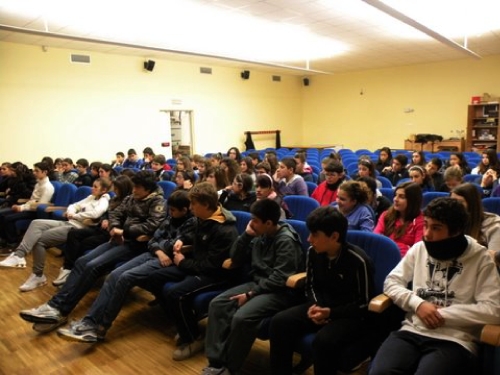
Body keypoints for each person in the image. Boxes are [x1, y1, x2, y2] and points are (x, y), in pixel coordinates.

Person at [18, 171, 166, 333]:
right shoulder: (132, 197)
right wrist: (115, 227)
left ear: (148, 189)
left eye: (138, 187)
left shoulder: (158, 202)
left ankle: (61, 309)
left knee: (93, 265)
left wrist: (124, 230)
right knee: (82, 261)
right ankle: (55, 307)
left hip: (137, 246)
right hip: (119, 239)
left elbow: (152, 225)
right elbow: (116, 213)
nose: (134, 190)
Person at [369, 197, 500, 375]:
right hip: (412, 331)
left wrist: (440, 314)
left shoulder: (480, 258)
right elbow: (391, 283)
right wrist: (418, 304)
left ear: (456, 231)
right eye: (426, 225)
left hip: (456, 339)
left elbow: (493, 310)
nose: (427, 234)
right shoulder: (419, 248)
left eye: (436, 228)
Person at [47, 190, 196, 341]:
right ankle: (89, 322)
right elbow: (153, 241)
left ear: (184, 210)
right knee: (114, 275)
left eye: (173, 210)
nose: (169, 213)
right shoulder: (170, 218)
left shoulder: (191, 223)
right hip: (156, 255)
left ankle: (99, 328)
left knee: (124, 278)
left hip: (166, 261)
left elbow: (172, 246)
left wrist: (160, 248)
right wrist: (159, 250)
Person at [269, 206, 375, 375]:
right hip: (321, 306)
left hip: (349, 315)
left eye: (315, 235)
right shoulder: (313, 252)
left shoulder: (358, 260)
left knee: (323, 341)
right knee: (279, 322)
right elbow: (310, 285)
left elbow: (365, 303)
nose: (309, 239)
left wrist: (331, 313)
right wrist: (315, 306)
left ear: (334, 236)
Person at [202, 199, 304, 374]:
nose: (251, 223)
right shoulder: (260, 234)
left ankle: (230, 368)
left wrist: (251, 294)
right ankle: (216, 362)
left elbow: (280, 279)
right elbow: (235, 257)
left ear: (269, 223)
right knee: (218, 304)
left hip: (278, 292)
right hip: (258, 284)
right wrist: (246, 236)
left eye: (255, 220)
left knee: (242, 318)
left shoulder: (286, 241)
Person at [0, 178, 112, 291]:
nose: (92, 188)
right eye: (93, 186)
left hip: (75, 228)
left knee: (39, 240)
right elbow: (74, 205)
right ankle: (19, 255)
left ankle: (38, 276)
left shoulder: (104, 200)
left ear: (104, 190)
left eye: (95, 187)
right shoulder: (91, 197)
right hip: (68, 222)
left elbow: (96, 213)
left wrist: (76, 215)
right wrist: (71, 212)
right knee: (36, 223)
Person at [0, 161, 54, 248]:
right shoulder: (38, 183)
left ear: (45, 172)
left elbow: (40, 205)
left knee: (8, 218)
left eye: (37, 171)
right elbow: (32, 200)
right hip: (27, 207)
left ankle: (12, 242)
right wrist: (21, 207)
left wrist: (21, 208)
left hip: (34, 211)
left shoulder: (47, 187)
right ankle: (4, 239)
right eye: (34, 170)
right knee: (1, 214)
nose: (34, 173)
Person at [374, 182, 423, 256]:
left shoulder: (421, 221)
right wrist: (403, 247)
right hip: (383, 256)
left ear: (412, 201)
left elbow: (417, 252)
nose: (395, 199)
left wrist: (390, 246)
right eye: (395, 195)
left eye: (401, 197)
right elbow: (376, 239)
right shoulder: (386, 215)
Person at [450, 183, 500, 252]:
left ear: (472, 204)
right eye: (452, 201)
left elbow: (493, 259)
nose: (454, 206)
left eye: (460, 202)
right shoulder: (449, 221)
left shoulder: (493, 226)